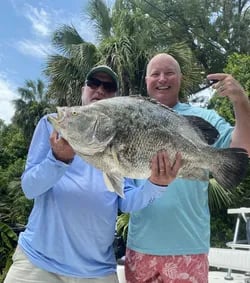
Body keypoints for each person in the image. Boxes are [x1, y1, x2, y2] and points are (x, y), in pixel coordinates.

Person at [4, 64, 182, 283]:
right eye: (93, 84)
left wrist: (156, 185)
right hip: (37, 263)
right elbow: (30, 188)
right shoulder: (53, 126)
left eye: (108, 87)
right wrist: (58, 160)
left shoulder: (121, 139)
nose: (99, 90)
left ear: (115, 97)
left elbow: (126, 202)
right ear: (83, 89)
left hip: (97, 271)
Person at [125, 53, 250, 283]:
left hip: (189, 250)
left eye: (169, 72)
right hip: (140, 249)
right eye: (155, 74)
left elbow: (242, 149)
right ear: (146, 81)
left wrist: (241, 101)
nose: (162, 78)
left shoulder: (202, 117)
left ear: (180, 79)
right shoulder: (131, 119)